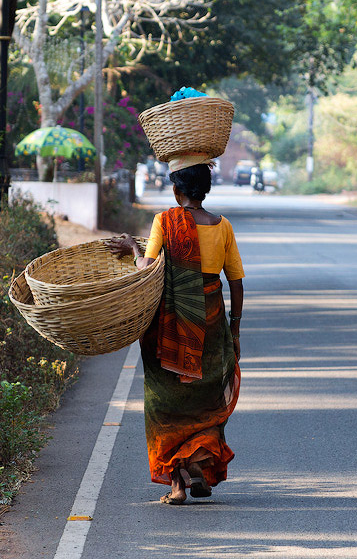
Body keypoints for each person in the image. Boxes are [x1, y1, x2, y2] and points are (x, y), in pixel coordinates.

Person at [106, 155, 244, 505]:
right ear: (206, 189)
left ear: (175, 188)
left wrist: (132, 248)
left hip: (169, 326)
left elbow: (148, 269)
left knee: (164, 402)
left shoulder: (165, 221)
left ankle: (177, 484)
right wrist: (235, 329)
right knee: (206, 400)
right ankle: (198, 464)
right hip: (210, 325)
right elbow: (237, 282)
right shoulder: (223, 226)